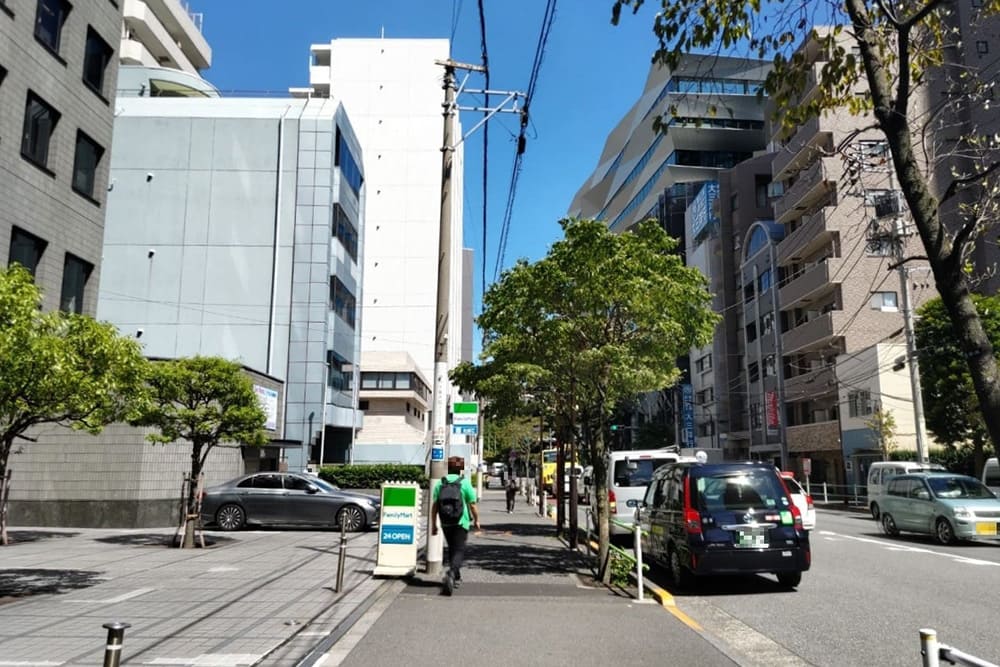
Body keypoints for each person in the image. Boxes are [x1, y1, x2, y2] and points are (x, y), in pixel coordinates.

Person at [431, 463, 480, 595]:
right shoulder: (464, 483)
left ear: (449, 468)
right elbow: (473, 505)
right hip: (461, 522)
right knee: (459, 549)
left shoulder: (440, 484)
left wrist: (434, 524)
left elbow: (435, 506)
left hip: (445, 522)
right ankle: (452, 573)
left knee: (452, 548)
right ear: (460, 470)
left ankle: (456, 577)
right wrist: (477, 520)